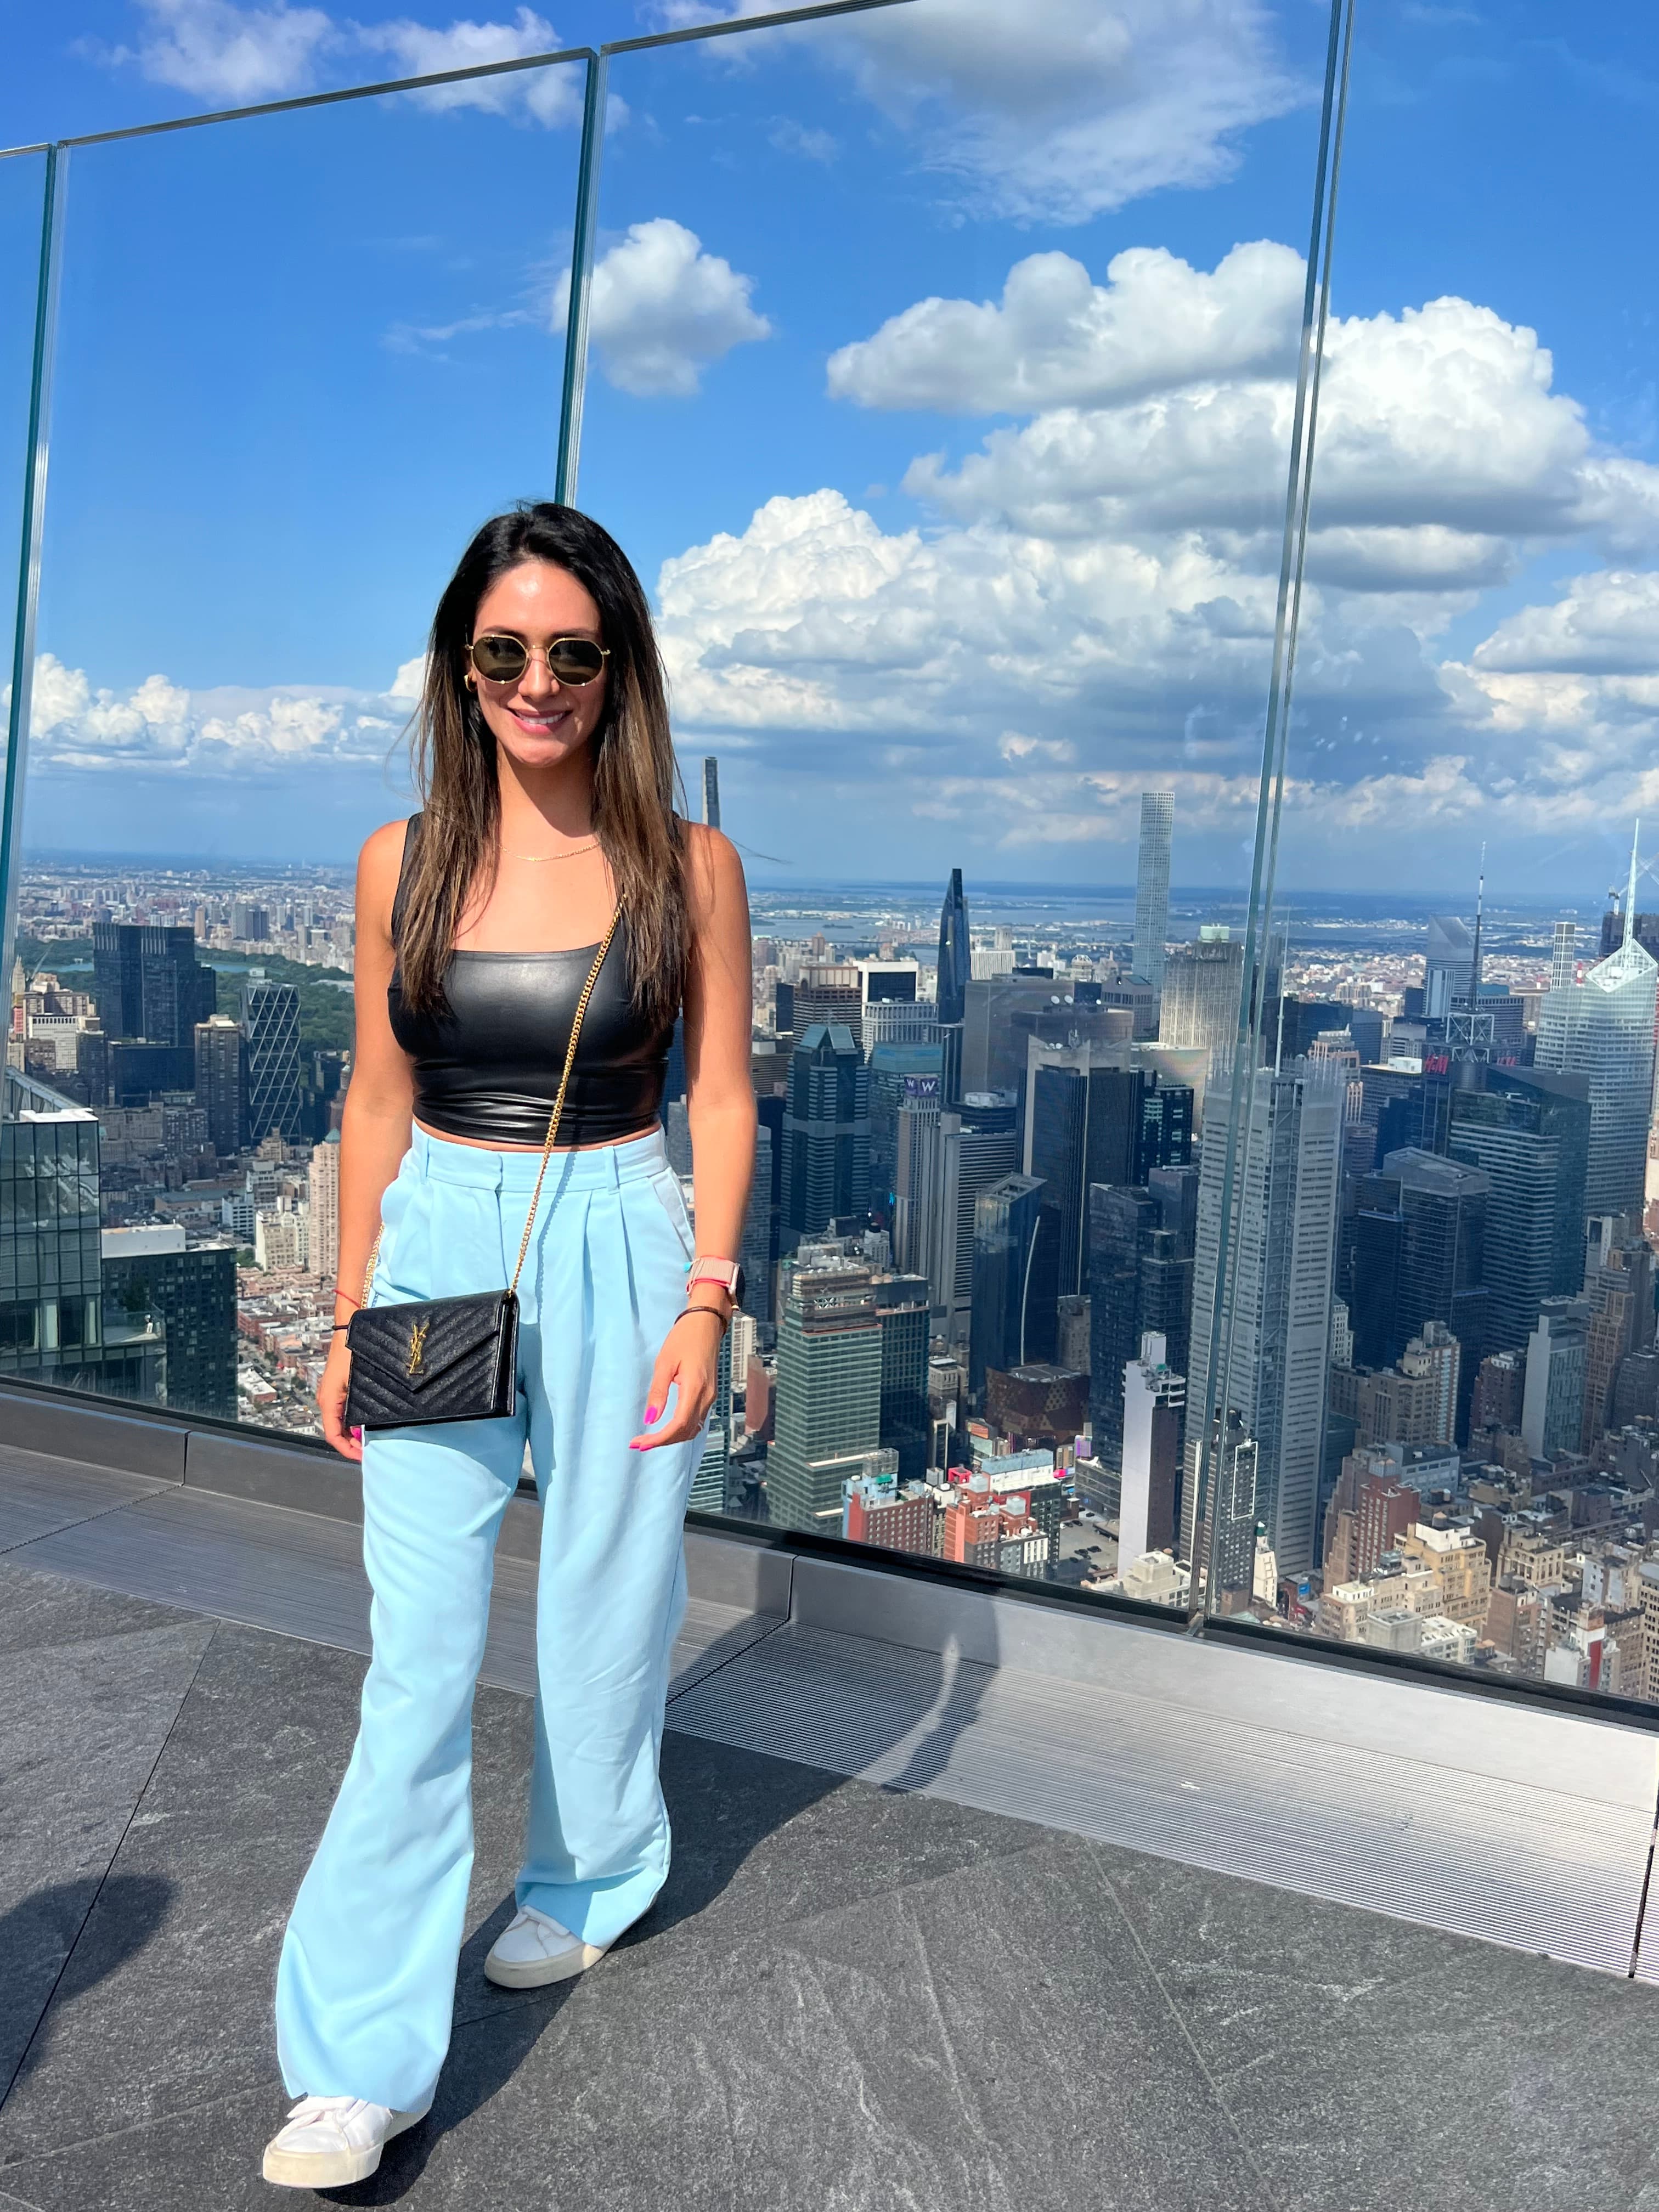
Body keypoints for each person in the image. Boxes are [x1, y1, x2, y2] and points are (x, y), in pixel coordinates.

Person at [262, 503, 755, 2190]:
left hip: (621, 1228)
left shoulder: (689, 868)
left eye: (571, 653)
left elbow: (723, 1094)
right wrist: (345, 1313)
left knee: (610, 1601)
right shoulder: (399, 862)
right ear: (458, 667)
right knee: (419, 1651)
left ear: (618, 672)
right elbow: (376, 1097)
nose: (535, 682)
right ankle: (354, 2063)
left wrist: (707, 1294)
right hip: (440, 1243)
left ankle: (588, 1880)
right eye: (502, 653)